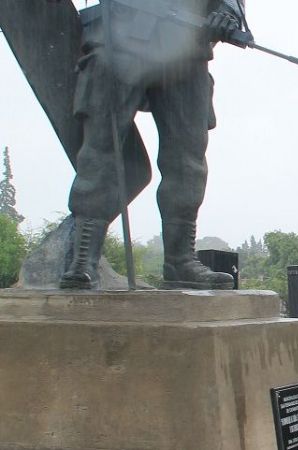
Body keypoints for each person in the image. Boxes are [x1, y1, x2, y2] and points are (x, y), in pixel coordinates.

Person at [57, 0, 244, 290]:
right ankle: (84, 258)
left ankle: (180, 260)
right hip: (120, 38)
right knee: (100, 151)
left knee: (187, 160)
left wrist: (229, 13)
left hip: (186, 46)